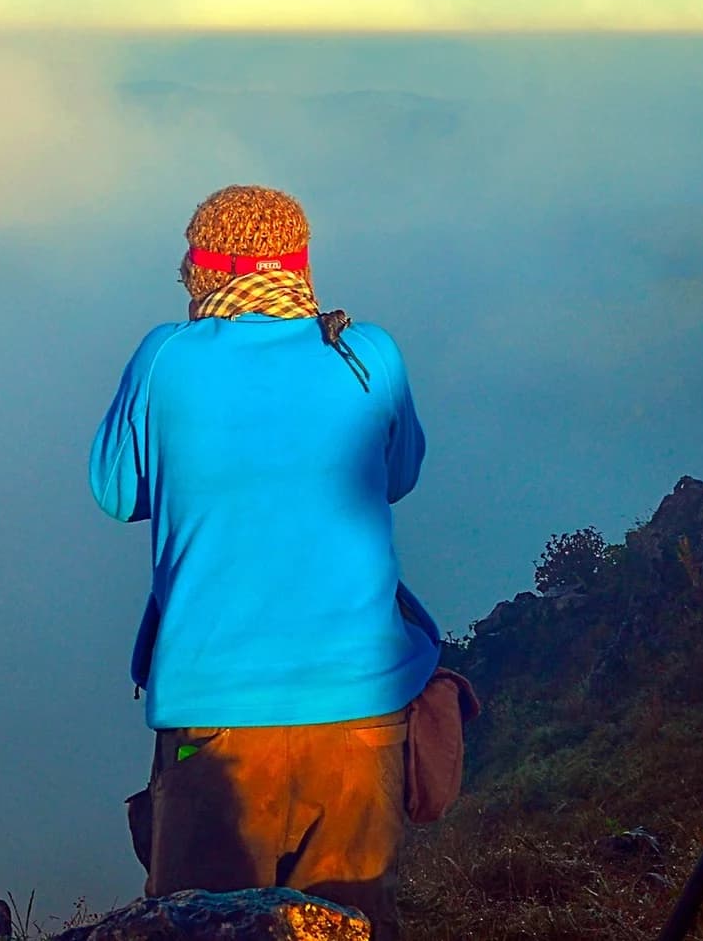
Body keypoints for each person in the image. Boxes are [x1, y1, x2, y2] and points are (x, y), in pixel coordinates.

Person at [87, 185, 440, 941]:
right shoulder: (367, 353)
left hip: (215, 719)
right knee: (352, 924)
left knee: (202, 928)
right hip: (361, 712)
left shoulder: (166, 358)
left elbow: (116, 491)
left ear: (204, 271)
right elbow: (400, 472)